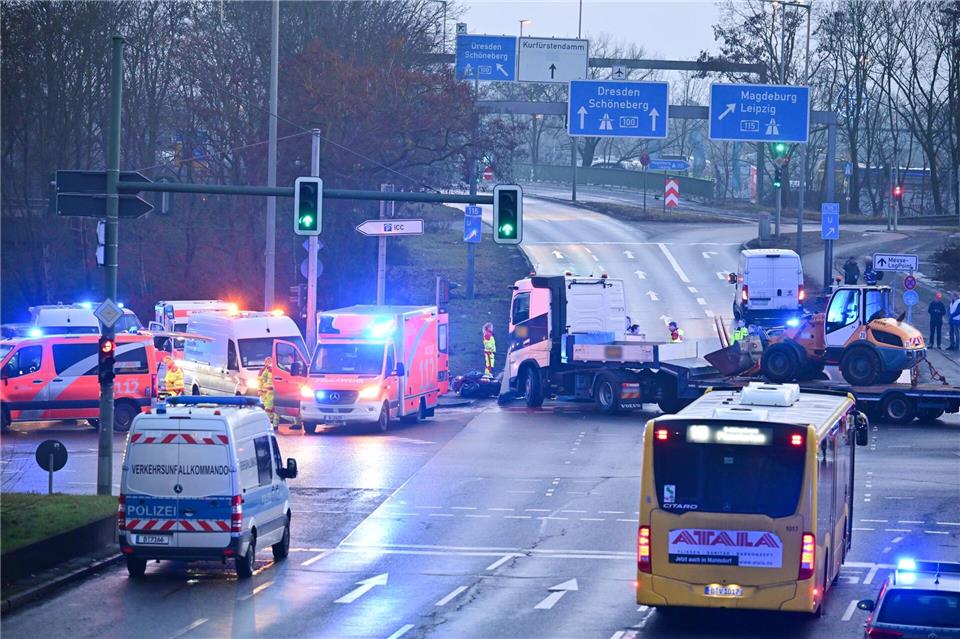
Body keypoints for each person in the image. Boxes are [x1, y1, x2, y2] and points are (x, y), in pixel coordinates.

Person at [259, 356, 278, 429]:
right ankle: (270, 422)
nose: (268, 363)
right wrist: (260, 390)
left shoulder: (277, 368)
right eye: (267, 362)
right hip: (267, 392)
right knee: (268, 408)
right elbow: (261, 380)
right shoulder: (265, 370)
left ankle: (274, 424)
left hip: (274, 391)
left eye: (270, 362)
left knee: (274, 409)